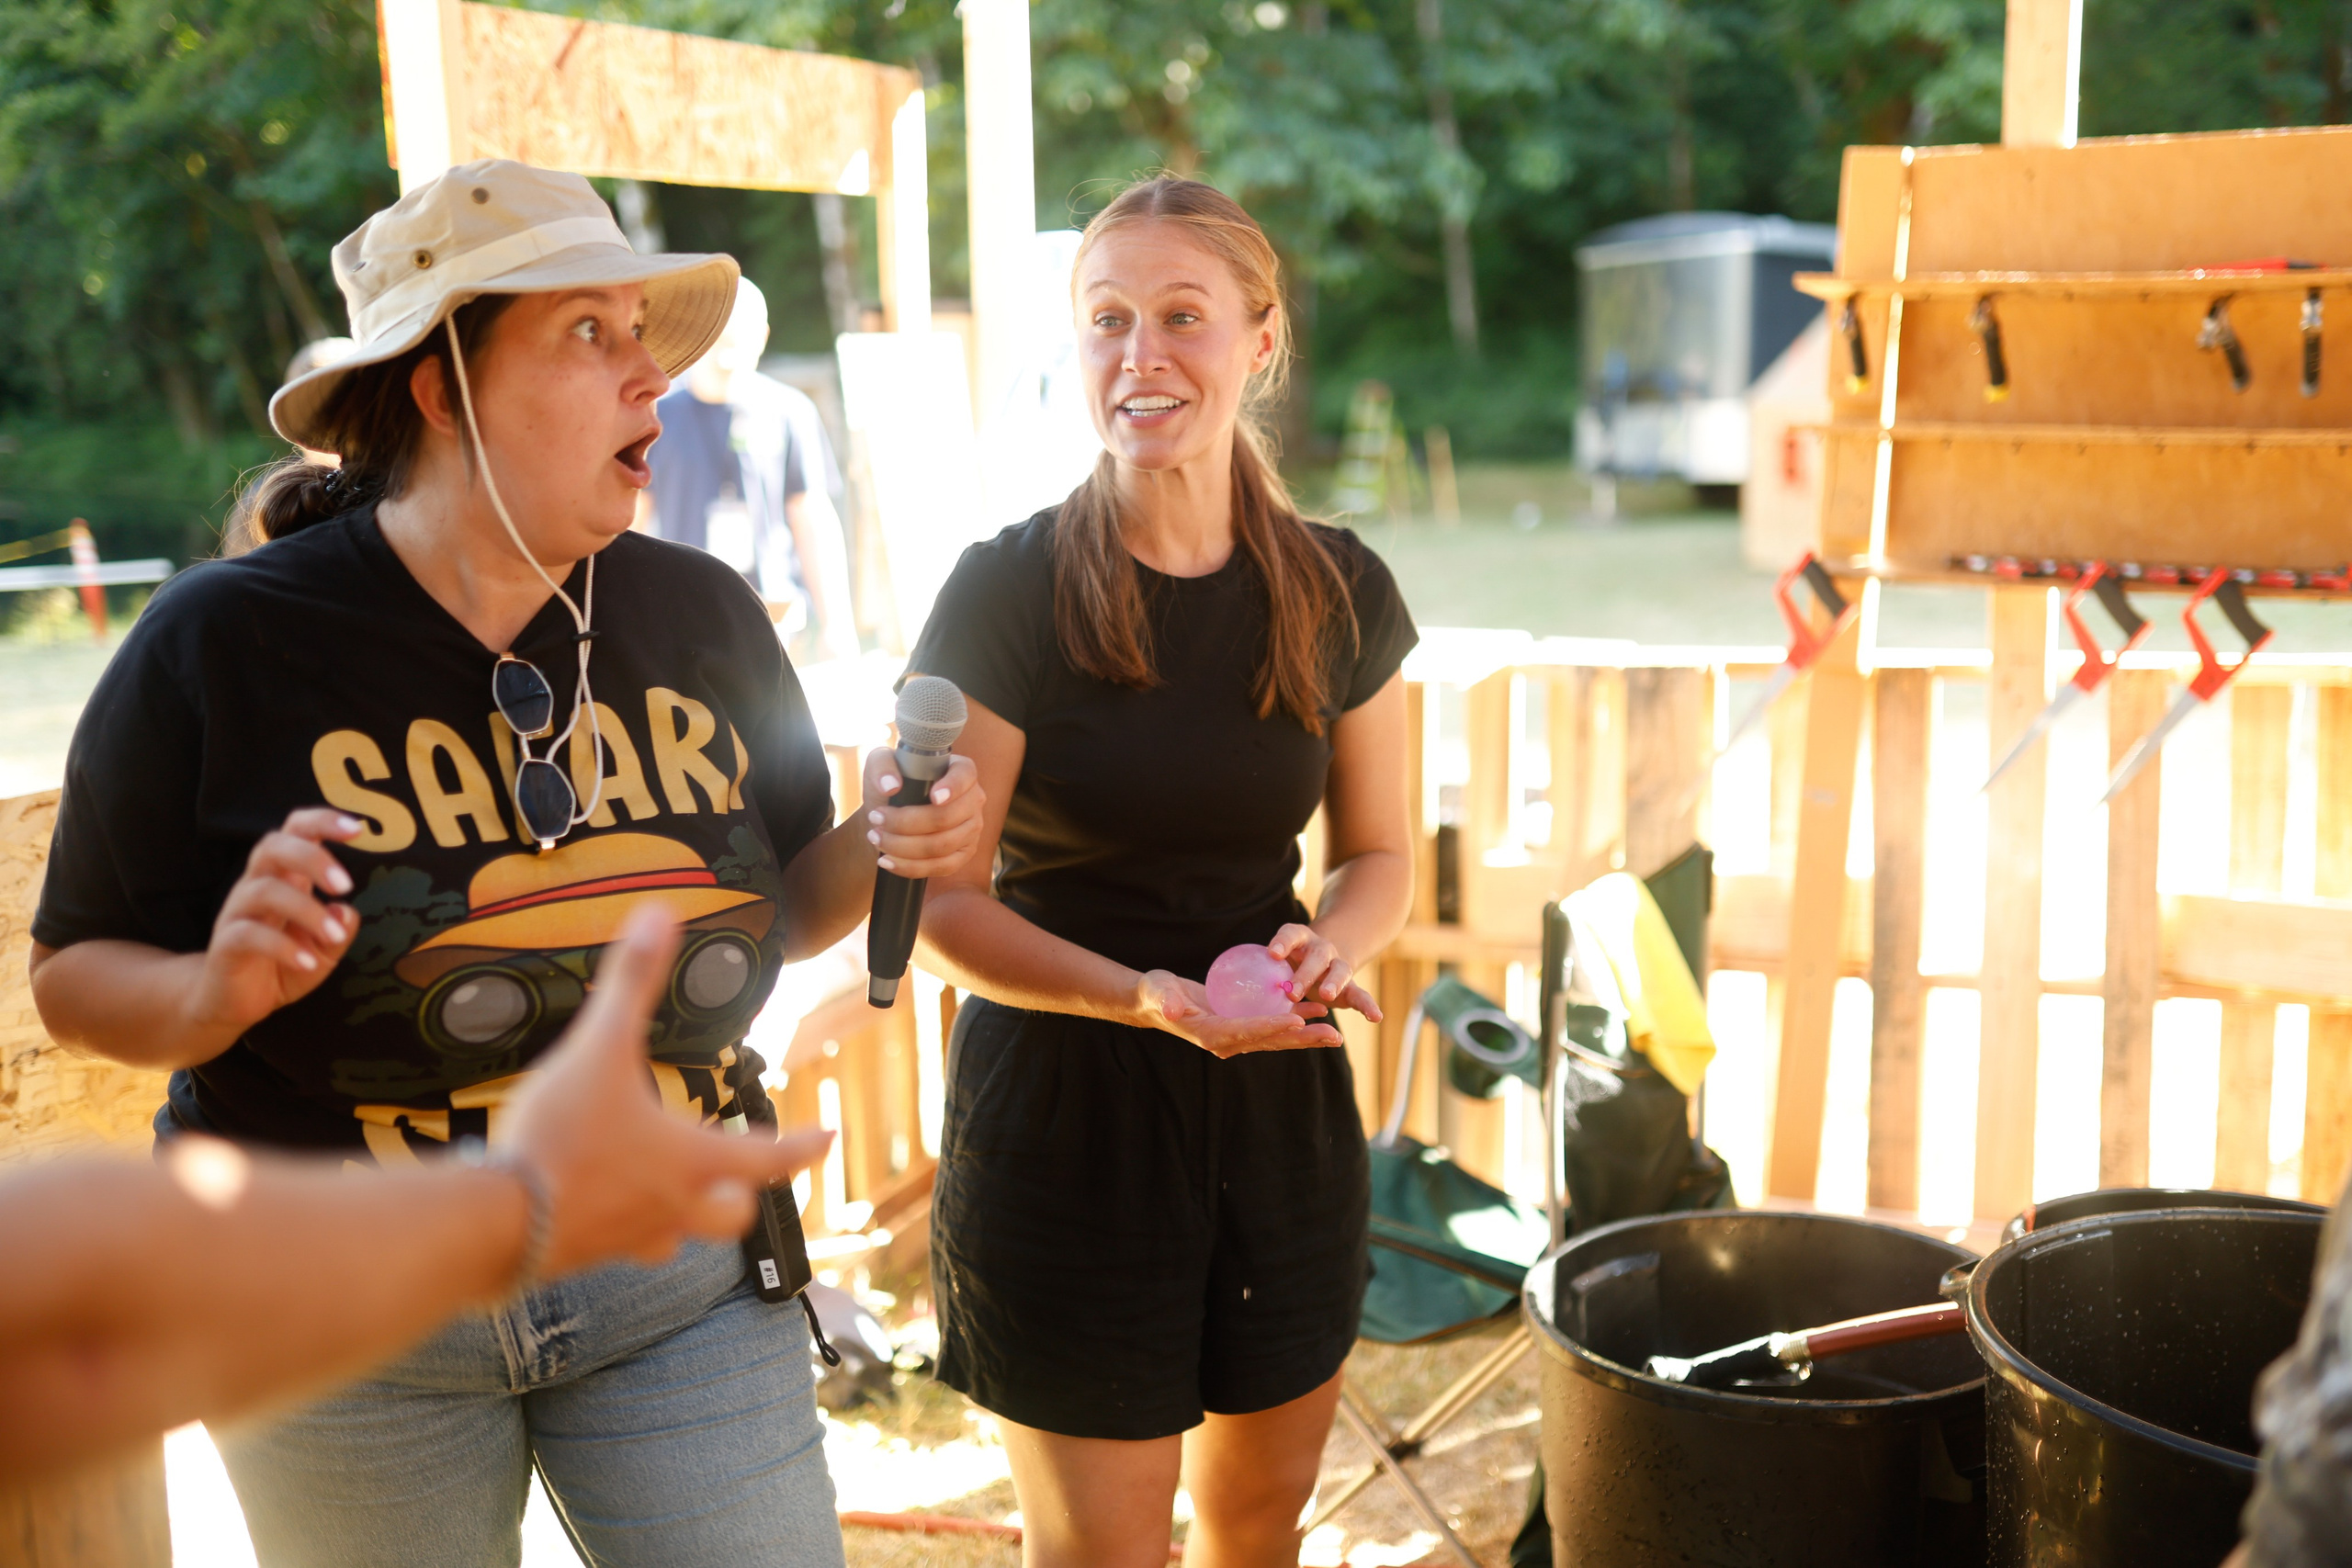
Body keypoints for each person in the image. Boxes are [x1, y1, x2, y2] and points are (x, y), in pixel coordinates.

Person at [28, 159, 982, 1567]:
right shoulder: (222, 642)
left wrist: (894, 834)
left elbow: (779, 904)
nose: (649, 377)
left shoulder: (700, 612)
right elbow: (75, 975)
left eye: (640, 333)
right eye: (587, 334)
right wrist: (216, 990)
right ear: (440, 385)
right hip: (339, 1312)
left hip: (680, 1279)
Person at [904, 175, 1418, 1568]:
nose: (1140, 355)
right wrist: (1145, 996)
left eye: (1182, 316)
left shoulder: (1341, 587)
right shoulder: (1004, 591)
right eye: (1105, 319)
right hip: (1071, 1113)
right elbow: (941, 910)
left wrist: (1335, 949)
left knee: (1257, 1527)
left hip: (1279, 1104)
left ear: (1260, 339)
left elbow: (1379, 855)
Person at [0, 908, 828, 1482]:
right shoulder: (194, 661)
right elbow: (73, 1298)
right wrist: (526, 1204)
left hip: (672, 1282)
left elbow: (74, 1298)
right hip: (343, 1319)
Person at [645, 277, 859, 662]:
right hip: (679, 615)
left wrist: (837, 624)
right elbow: (632, 521)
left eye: (738, 331)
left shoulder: (790, 413)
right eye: (718, 330)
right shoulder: (656, 417)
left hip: (772, 617)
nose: (727, 344)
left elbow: (811, 518)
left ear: (761, 336)